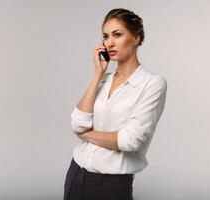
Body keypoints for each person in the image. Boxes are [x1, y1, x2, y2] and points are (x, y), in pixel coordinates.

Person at [64, 8, 167, 200]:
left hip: (111, 184)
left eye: (117, 35)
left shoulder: (152, 84)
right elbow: (77, 123)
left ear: (136, 38)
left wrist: (85, 135)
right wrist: (98, 74)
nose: (109, 42)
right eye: (105, 36)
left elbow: (130, 140)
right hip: (76, 173)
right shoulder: (103, 79)